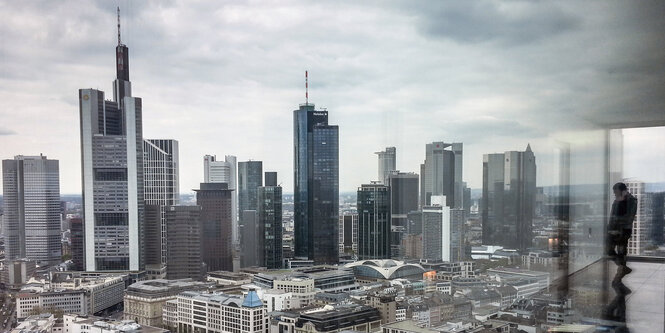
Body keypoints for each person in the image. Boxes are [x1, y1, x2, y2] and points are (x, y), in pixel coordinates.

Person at [606, 182, 637, 277]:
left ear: (622, 190)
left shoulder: (632, 200)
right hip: (614, 230)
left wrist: (616, 220)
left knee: (621, 251)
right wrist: (609, 227)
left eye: (616, 191)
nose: (615, 193)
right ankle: (623, 267)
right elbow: (612, 215)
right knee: (609, 250)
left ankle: (621, 272)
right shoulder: (617, 200)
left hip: (624, 230)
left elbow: (629, 217)